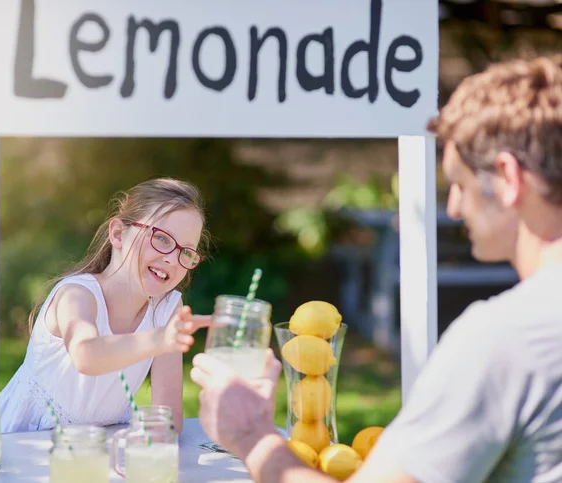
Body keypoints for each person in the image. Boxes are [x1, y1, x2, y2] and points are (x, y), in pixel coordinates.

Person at [191, 56, 562, 482]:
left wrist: (252, 436)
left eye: (458, 183)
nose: (455, 207)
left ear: (507, 178)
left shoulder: (505, 339)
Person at [0, 177, 211, 433]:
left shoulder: (167, 310)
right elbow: (86, 354)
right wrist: (159, 340)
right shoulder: (76, 295)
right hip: (25, 442)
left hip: (98, 448)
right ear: (118, 234)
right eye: (162, 239)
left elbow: (168, 422)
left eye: (186, 251)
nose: (172, 259)